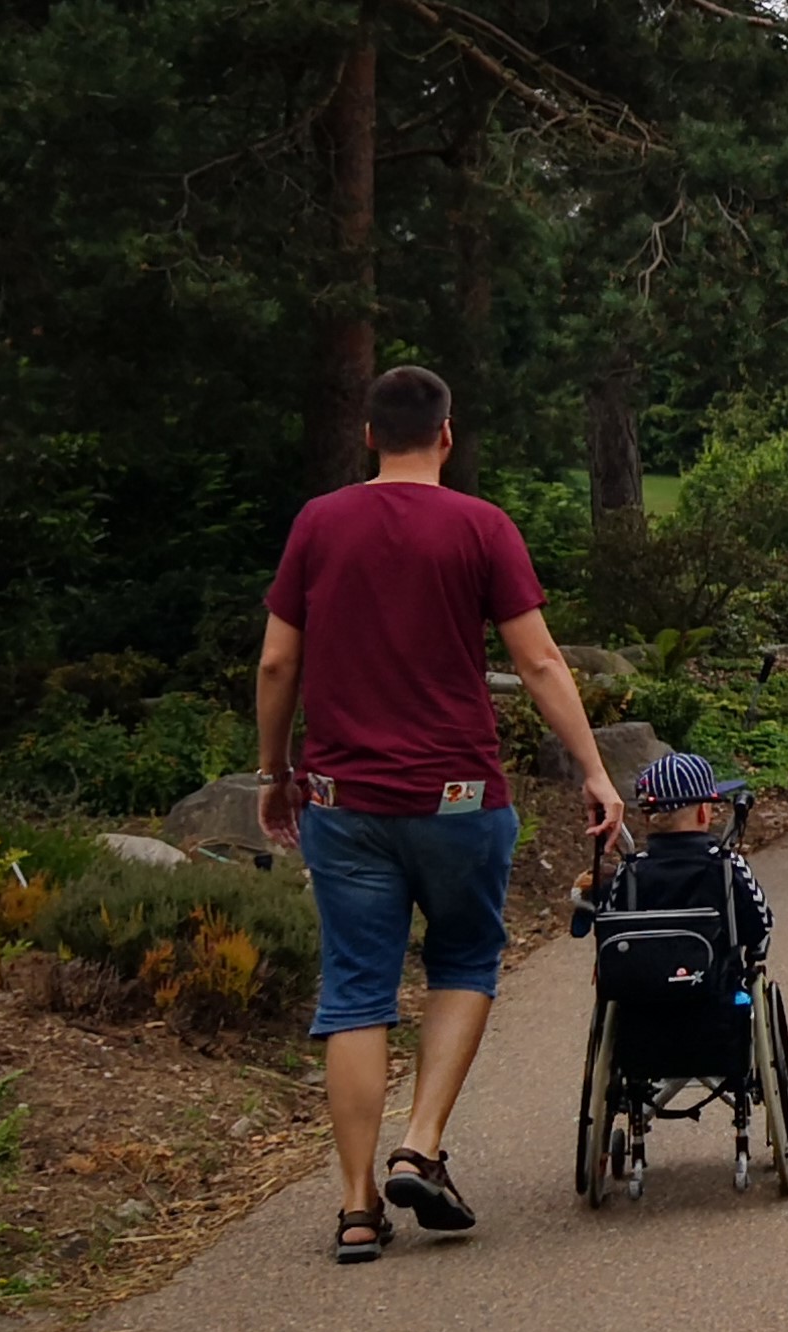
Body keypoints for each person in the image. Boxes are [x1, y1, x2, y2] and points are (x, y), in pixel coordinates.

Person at [255, 365, 625, 1264]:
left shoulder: (318, 523)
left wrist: (275, 772)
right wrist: (594, 769)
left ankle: (354, 1206)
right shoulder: (482, 526)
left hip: (343, 804)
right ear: (447, 436)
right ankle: (419, 1143)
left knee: (355, 989)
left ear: (370, 437)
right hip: (460, 799)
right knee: (463, 955)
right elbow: (538, 662)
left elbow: (276, 664)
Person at [576, 754, 772, 961]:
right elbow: (760, 925)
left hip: (646, 988)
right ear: (703, 812)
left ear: (647, 818)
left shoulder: (630, 870)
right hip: (716, 988)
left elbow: (612, 927)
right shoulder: (727, 865)